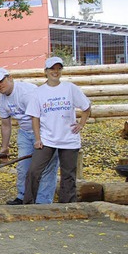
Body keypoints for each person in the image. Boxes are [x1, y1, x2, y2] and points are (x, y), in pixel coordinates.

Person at [23, 57, 92, 204]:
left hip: (69, 139)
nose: (55, 71)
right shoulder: (38, 93)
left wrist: (81, 124)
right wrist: (37, 139)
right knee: (34, 171)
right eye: (52, 69)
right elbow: (35, 117)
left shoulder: (70, 88)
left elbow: (86, 107)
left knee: (68, 175)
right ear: (46, 71)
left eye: (58, 68)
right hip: (47, 138)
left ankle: (67, 206)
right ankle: (28, 204)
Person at [0, 68, 58, 205]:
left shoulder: (26, 92)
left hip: (45, 131)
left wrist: (40, 138)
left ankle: (43, 201)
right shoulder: (2, 100)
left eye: (1, 81)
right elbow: (6, 124)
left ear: (10, 78)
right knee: (23, 166)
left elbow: (39, 115)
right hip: (25, 132)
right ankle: (22, 196)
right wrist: (4, 148)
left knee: (45, 167)